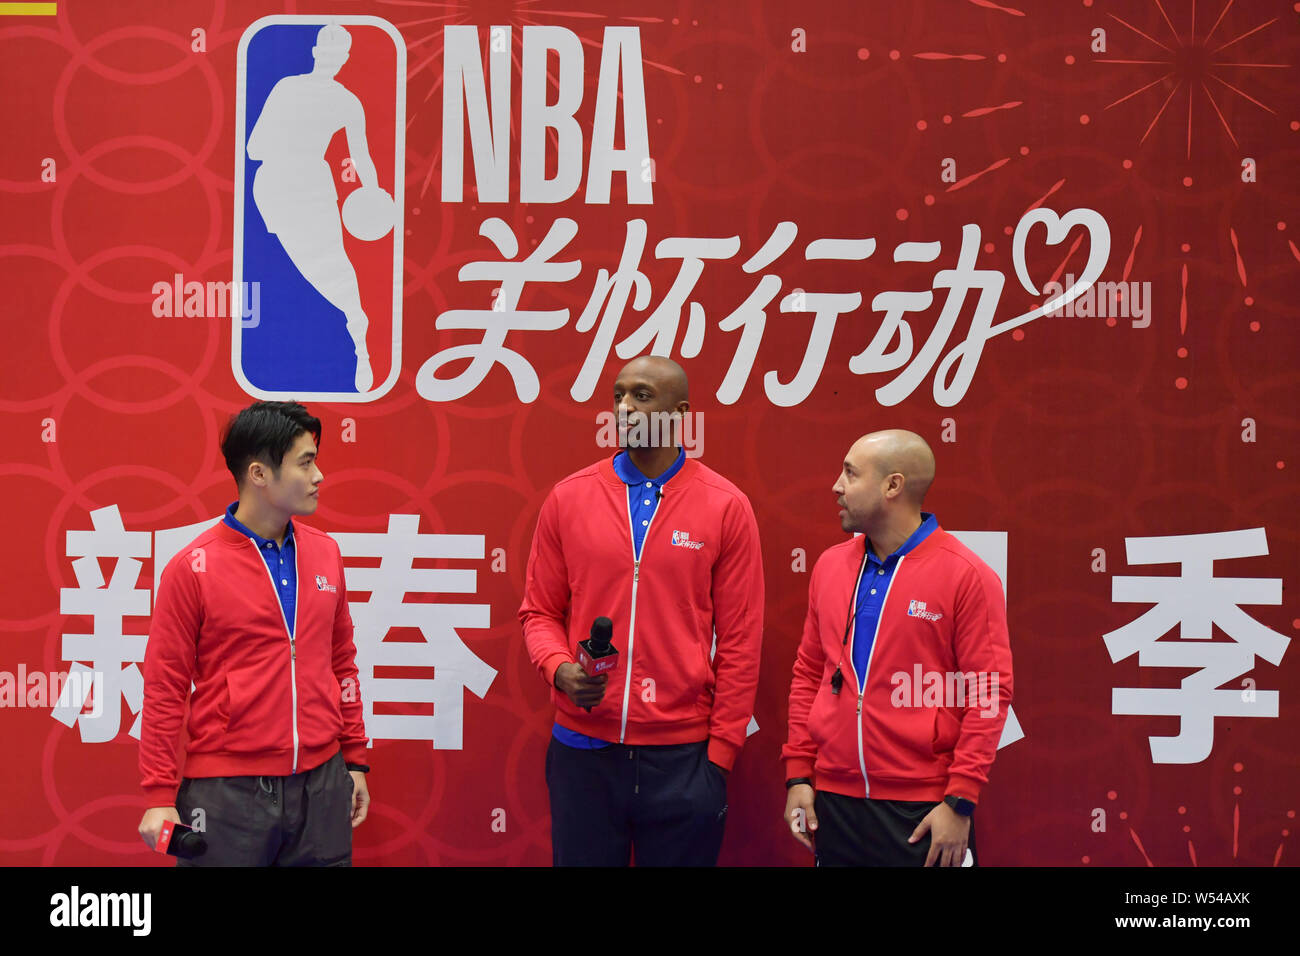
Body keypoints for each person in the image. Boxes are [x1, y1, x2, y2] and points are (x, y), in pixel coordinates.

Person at [520, 356, 764, 866]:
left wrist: (719, 756)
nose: (625, 407)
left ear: (680, 413)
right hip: (583, 752)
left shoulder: (725, 505)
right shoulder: (570, 497)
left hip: (682, 757)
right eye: (618, 395)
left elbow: (741, 638)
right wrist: (559, 670)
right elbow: (539, 612)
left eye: (642, 396)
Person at [137, 401, 371, 866]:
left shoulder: (326, 554)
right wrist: (159, 794)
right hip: (228, 793)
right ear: (259, 474)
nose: (319, 475)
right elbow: (165, 687)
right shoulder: (193, 568)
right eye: (305, 462)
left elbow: (341, 660)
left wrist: (354, 759)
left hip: (323, 784)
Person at [782, 429, 1012, 866]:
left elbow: (988, 693)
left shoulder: (967, 575)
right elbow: (809, 674)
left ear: (893, 486)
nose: (836, 485)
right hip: (835, 804)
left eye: (850, 473)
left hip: (924, 808)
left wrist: (960, 801)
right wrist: (799, 775)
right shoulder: (831, 565)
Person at [247, 24, 389, 392]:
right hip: (281, 189)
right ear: (326, 55)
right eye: (331, 51)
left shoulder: (335, 99)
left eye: (334, 52)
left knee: (331, 265)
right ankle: (350, 332)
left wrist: (373, 195)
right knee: (306, 269)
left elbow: (361, 157)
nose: (331, 58)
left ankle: (358, 338)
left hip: (300, 186)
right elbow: (252, 149)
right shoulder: (303, 91)